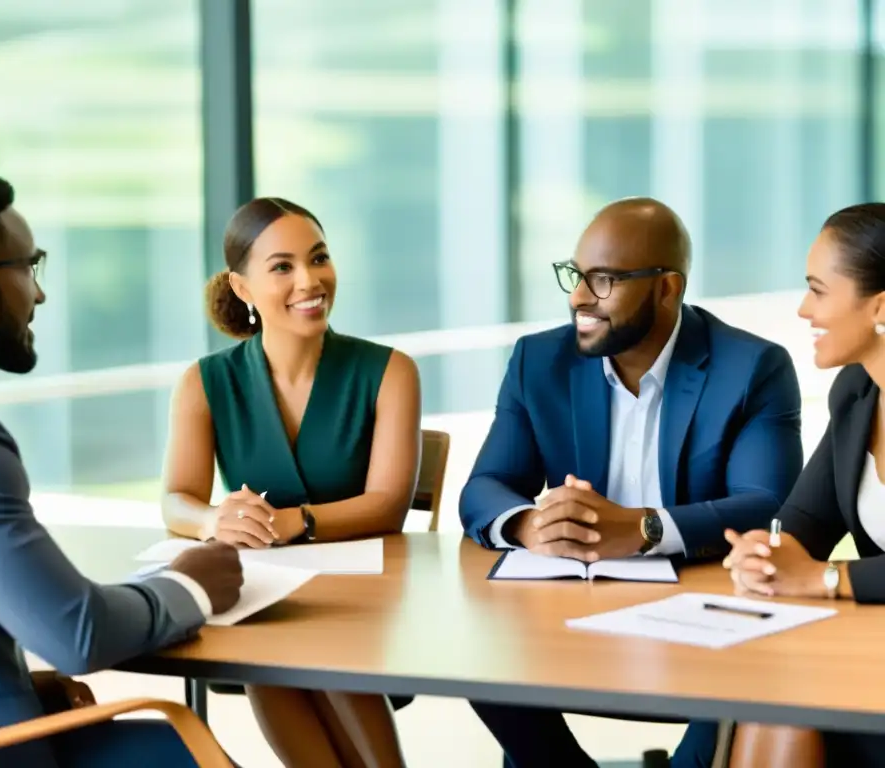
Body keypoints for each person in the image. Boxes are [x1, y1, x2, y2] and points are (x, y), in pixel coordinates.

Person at [0, 166, 244, 768]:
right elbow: (78, 635)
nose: (38, 294)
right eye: (29, 267)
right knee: (187, 746)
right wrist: (193, 584)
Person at [459, 197, 805, 768]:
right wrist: (530, 523)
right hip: (567, 612)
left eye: (604, 280)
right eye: (576, 275)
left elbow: (768, 506)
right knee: (475, 658)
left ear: (667, 288)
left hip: (704, 616)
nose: (578, 298)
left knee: (746, 684)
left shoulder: (753, 367)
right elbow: (487, 485)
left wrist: (644, 528)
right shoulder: (539, 360)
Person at [161, 197, 422, 768]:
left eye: (319, 258)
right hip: (265, 597)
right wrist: (213, 519)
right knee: (268, 635)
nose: (311, 280)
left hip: (364, 601)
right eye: (282, 266)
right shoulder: (205, 383)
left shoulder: (390, 371)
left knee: (304, 642)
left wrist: (293, 523)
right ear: (243, 287)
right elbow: (175, 499)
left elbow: (387, 505)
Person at [721, 202, 885, 768]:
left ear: (881, 306)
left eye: (818, 290)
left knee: (788, 701)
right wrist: (765, 555)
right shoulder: (857, 392)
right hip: (873, 650)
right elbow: (805, 523)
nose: (802, 309)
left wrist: (820, 577)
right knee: (771, 694)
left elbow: (816, 566)